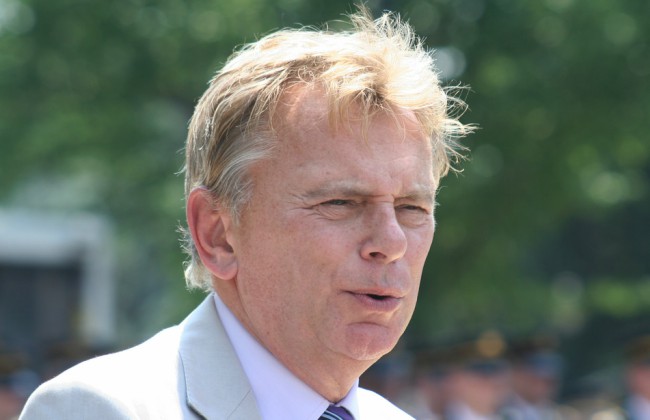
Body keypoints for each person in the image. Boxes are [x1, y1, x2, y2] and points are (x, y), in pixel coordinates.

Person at [20, 6, 472, 419]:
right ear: (217, 233)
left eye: (412, 208)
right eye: (340, 203)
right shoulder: (99, 409)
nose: (391, 243)